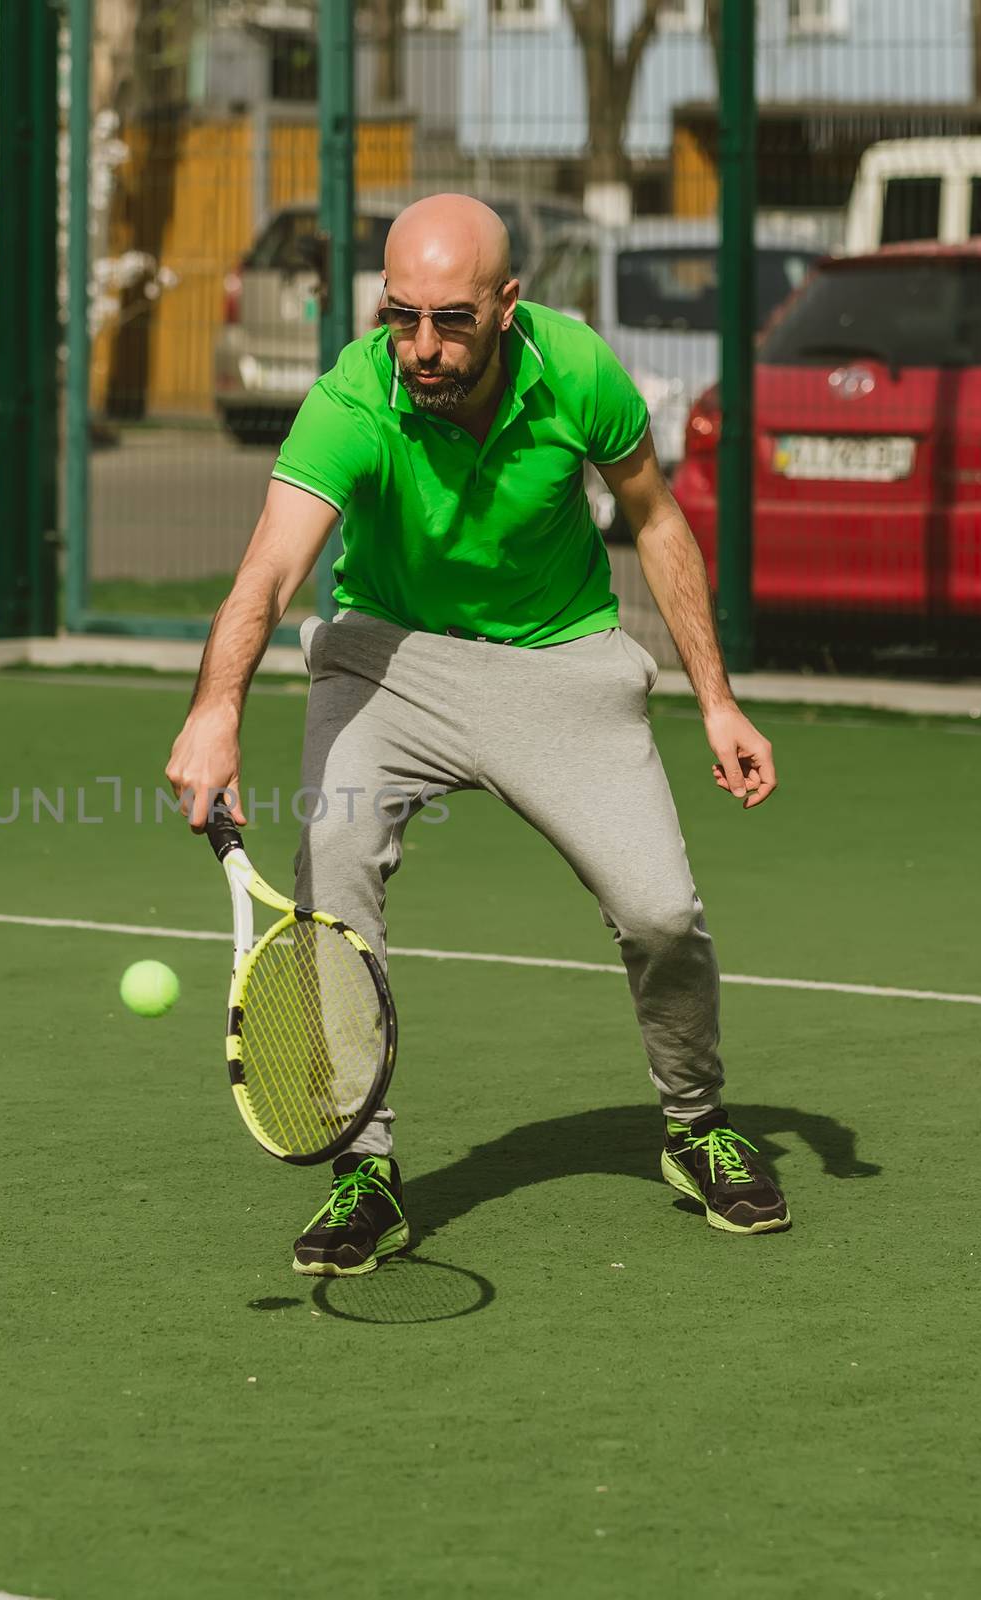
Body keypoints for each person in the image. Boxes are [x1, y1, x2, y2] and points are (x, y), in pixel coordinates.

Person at [165, 194, 790, 1276]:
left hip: (560, 661)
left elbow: (654, 516)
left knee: (658, 913)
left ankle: (694, 1126)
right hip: (387, 661)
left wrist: (717, 699)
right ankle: (361, 1166)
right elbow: (269, 569)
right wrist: (214, 707)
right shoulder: (352, 395)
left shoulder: (579, 371)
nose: (421, 347)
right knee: (332, 884)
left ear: (508, 304)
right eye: (400, 316)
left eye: (450, 320)